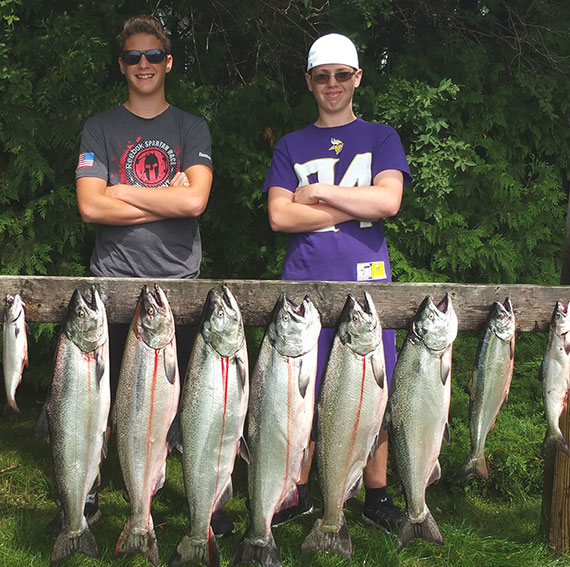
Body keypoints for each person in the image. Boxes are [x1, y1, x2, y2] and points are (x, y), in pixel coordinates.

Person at [48, 15, 232, 537]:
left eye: (154, 56)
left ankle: (198, 501)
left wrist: (121, 191)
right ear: (122, 65)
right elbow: (89, 207)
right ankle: (84, 501)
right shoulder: (100, 127)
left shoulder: (191, 127)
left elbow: (195, 199)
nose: (144, 65)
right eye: (134, 57)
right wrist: (165, 200)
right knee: (97, 407)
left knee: (188, 412)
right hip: (113, 285)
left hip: (178, 287)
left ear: (169, 62)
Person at [264, 33, 412, 533]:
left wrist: (322, 192)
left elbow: (388, 203)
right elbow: (280, 216)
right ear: (309, 81)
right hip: (304, 287)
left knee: (376, 387)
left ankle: (376, 494)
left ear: (357, 78)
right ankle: (299, 490)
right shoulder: (291, 144)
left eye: (341, 75)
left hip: (369, 288)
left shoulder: (381, 137)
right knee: (300, 391)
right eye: (322, 75)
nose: (332, 84)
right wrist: (355, 201)